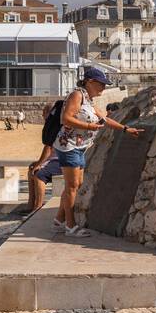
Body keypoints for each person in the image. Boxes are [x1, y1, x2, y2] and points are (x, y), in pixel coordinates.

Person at [53, 67, 142, 237]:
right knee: (72, 186)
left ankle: (59, 220)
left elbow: (105, 119)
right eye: (101, 84)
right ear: (90, 82)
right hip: (68, 146)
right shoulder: (77, 95)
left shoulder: (88, 99)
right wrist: (88, 126)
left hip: (79, 146)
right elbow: (65, 118)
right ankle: (70, 226)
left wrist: (125, 129)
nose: (104, 88)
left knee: (75, 185)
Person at [27, 98, 65, 214]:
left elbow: (48, 148)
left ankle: (37, 208)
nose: (42, 115)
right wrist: (38, 163)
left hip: (60, 161)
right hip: (54, 159)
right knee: (31, 169)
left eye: (44, 112)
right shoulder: (55, 124)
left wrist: (39, 164)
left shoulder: (54, 125)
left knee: (39, 174)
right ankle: (31, 204)